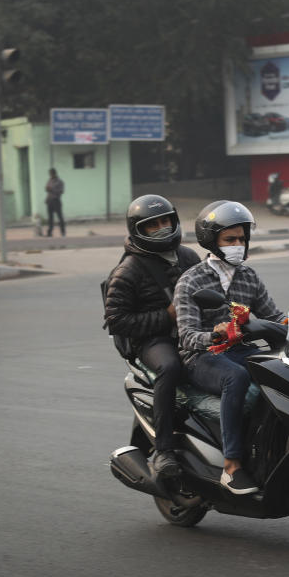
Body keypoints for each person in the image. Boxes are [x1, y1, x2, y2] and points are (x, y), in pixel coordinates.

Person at [174, 201, 284, 495]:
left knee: (280, 371)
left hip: (239, 350)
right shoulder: (192, 280)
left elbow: (273, 315)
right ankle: (232, 466)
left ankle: (268, 450)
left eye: (242, 239)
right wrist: (213, 334)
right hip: (202, 357)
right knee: (235, 377)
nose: (239, 245)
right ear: (213, 242)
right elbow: (186, 336)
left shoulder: (249, 277)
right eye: (230, 240)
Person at [103, 195, 201, 476]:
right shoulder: (128, 270)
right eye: (152, 225)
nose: (161, 228)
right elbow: (116, 320)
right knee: (170, 368)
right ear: (138, 230)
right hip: (153, 341)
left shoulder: (188, 256)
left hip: (191, 332)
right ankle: (164, 449)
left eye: (165, 221)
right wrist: (166, 316)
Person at [45, 168, 65, 237]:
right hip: (50, 201)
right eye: (50, 173)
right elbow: (48, 190)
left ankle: (63, 232)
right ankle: (49, 232)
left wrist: (52, 189)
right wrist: (47, 198)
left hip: (56, 200)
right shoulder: (49, 180)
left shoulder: (59, 182)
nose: (51, 175)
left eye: (51, 173)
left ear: (54, 173)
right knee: (50, 218)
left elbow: (61, 191)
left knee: (60, 217)